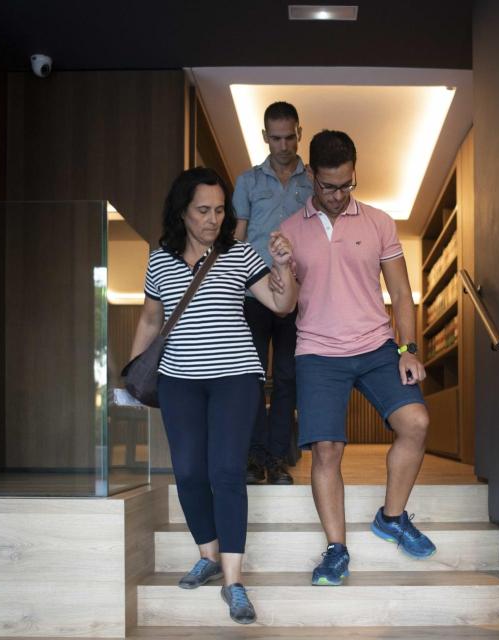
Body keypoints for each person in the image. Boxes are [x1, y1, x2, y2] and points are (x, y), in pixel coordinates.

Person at [129, 167, 297, 624]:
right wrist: (131, 375)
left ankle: (233, 581)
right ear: (182, 211)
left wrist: (283, 264)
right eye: (203, 210)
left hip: (235, 378)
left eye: (220, 210)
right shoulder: (159, 260)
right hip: (179, 379)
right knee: (187, 471)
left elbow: (283, 305)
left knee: (225, 471)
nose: (213, 219)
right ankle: (207, 552)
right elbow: (149, 319)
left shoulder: (240, 254)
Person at [278, 130, 436, 587]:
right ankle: (336, 549)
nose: (338, 194)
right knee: (327, 450)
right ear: (311, 176)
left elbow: (402, 293)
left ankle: (391, 516)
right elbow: (285, 307)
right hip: (317, 352)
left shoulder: (379, 222)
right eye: (328, 186)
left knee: (417, 422)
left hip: (375, 346)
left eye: (347, 184)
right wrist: (279, 265)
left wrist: (407, 350)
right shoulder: (289, 232)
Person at [233, 101, 312, 485]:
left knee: (287, 378)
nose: (283, 145)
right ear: (265, 137)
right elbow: (238, 237)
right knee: (250, 376)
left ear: (300, 132)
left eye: (290, 137)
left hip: (297, 295)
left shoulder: (312, 181)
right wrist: (232, 285)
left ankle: (278, 459)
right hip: (254, 294)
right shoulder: (247, 181)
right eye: (275, 138)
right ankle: (254, 457)